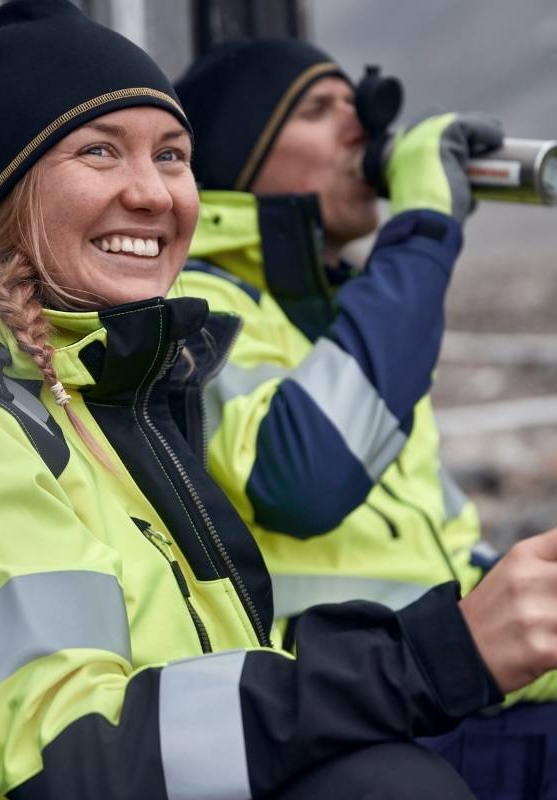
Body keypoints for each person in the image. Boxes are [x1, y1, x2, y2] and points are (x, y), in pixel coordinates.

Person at [0, 4, 557, 798]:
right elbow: (78, 757)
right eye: (98, 151)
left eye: (172, 156)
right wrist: (437, 656)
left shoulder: (111, 392)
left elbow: (202, 693)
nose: (152, 193)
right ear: (5, 196)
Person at [173, 38, 557, 798]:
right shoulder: (187, 311)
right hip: (343, 721)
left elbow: (437, 554)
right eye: (319, 111)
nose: (362, 134)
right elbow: (304, 480)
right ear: (238, 157)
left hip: (447, 693)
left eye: (359, 111)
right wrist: (421, 228)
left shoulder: (344, 327)